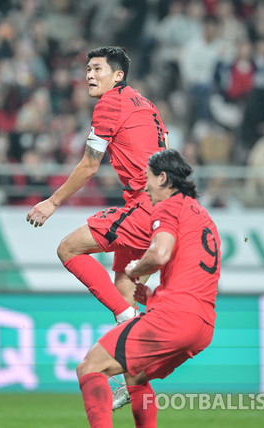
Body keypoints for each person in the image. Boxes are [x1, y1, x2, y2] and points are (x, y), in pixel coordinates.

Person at [26, 46, 168, 407]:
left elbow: (90, 165)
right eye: (87, 68)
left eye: (97, 69)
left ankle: (126, 318)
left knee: (67, 248)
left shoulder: (109, 103)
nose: (89, 75)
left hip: (143, 208)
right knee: (124, 290)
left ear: (117, 76)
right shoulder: (145, 104)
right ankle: (132, 383)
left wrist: (52, 202)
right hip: (167, 213)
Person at [76, 149, 221, 427]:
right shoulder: (203, 216)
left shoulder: (168, 206)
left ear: (164, 178)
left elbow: (160, 253)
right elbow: (191, 273)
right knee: (135, 376)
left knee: (90, 367)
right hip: (203, 326)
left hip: (175, 318)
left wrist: (135, 269)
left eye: (149, 179)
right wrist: (153, 297)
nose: (145, 186)